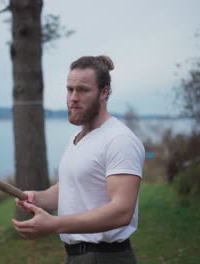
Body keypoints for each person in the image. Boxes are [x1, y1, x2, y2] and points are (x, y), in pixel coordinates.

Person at [12, 55, 145, 264]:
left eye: (83, 90)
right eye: (69, 89)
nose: (73, 97)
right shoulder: (77, 138)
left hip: (105, 258)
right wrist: (37, 198)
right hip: (76, 257)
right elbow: (70, 188)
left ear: (104, 92)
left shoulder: (119, 140)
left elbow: (122, 211)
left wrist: (55, 224)